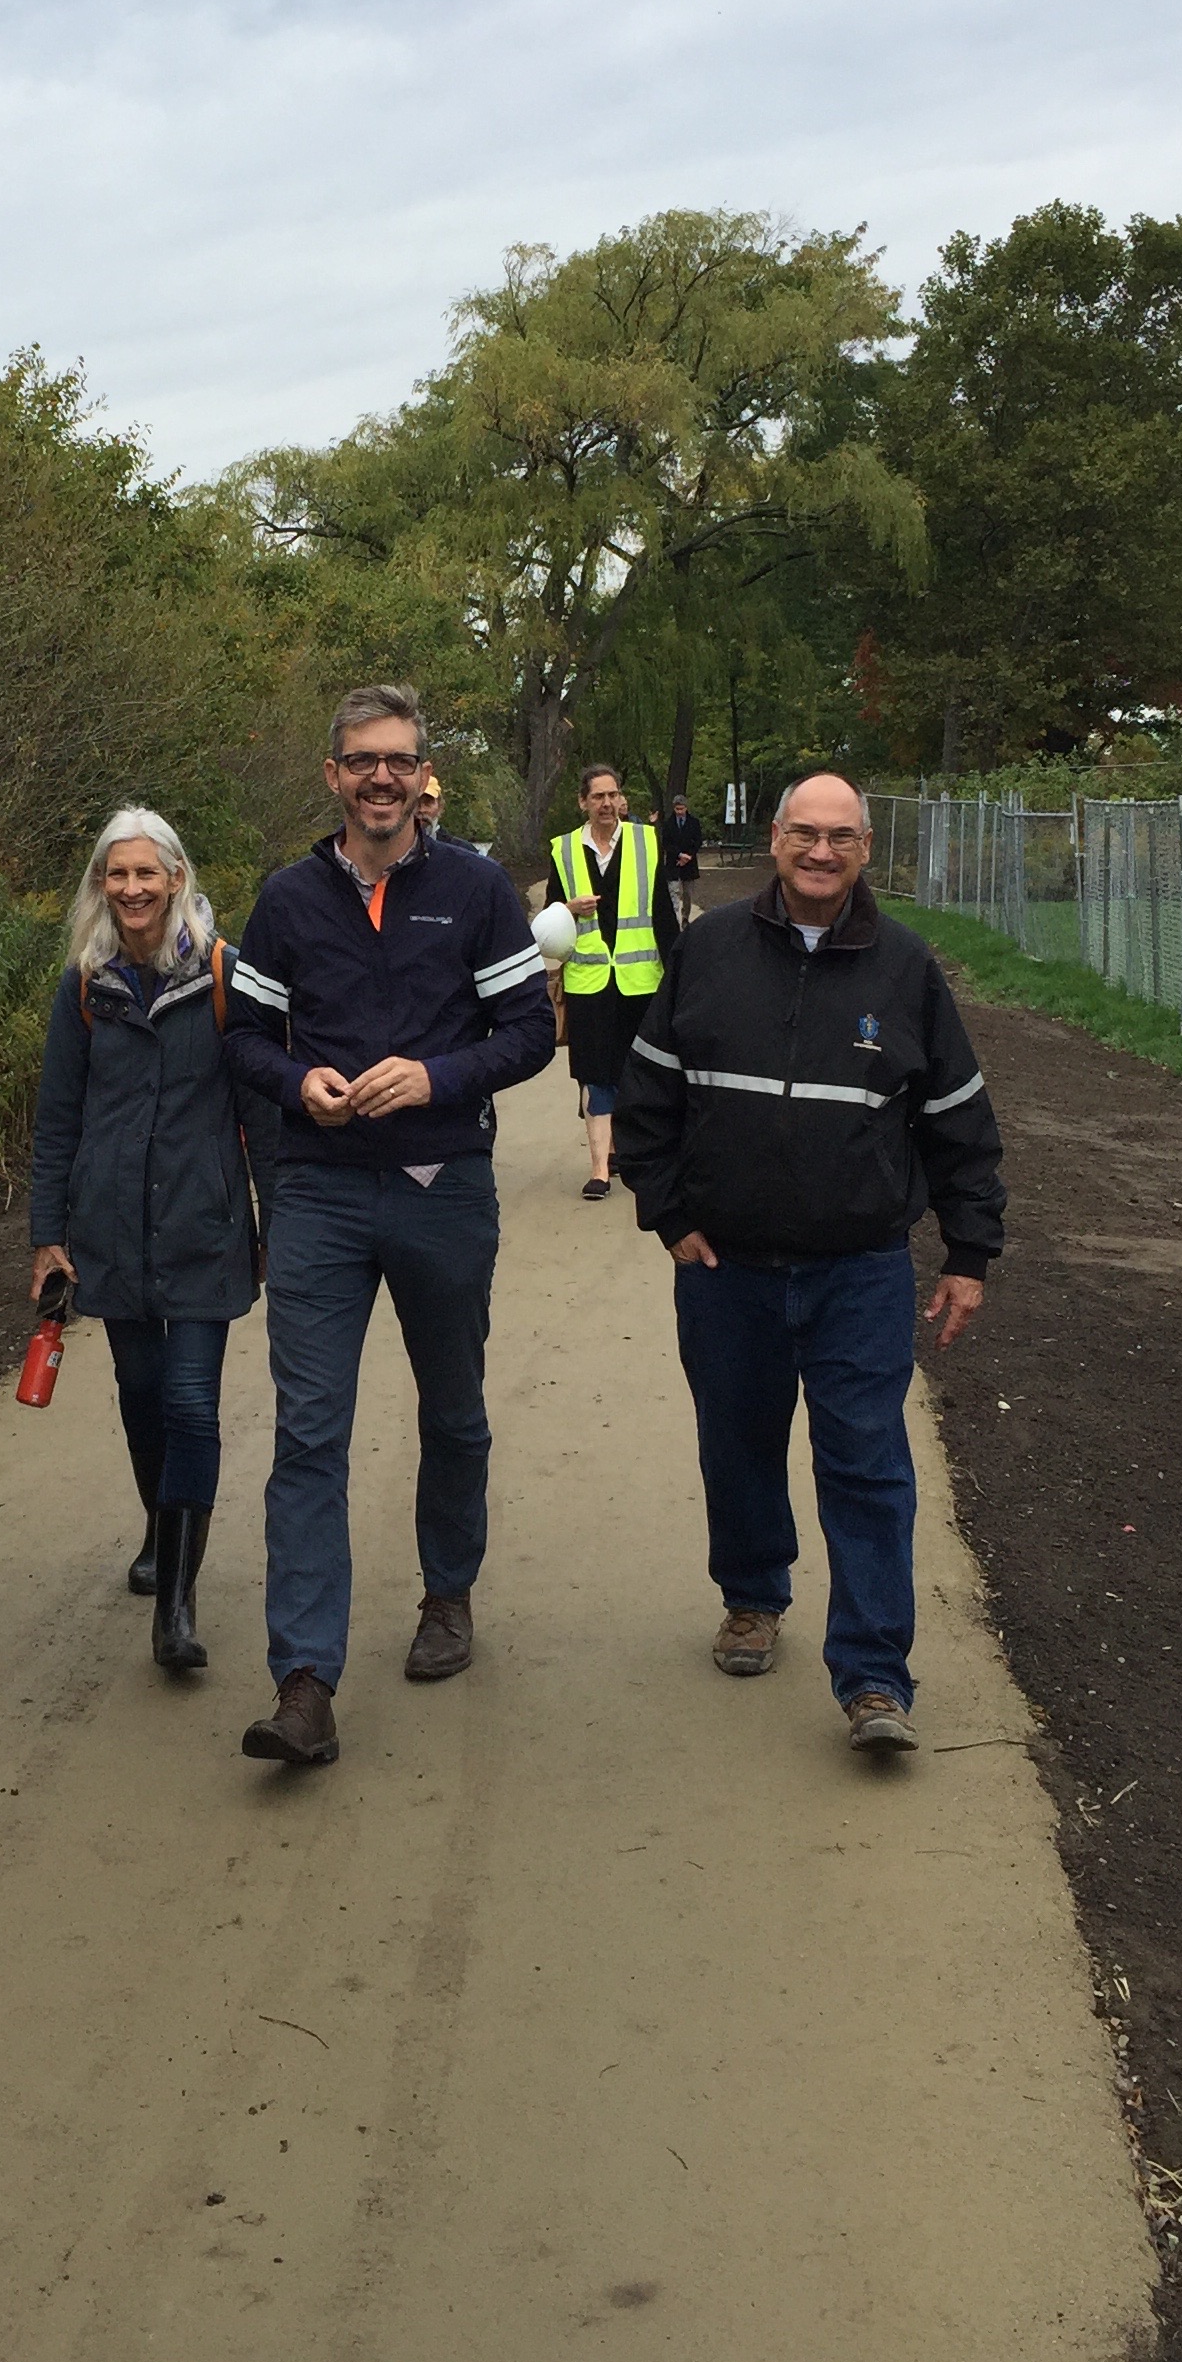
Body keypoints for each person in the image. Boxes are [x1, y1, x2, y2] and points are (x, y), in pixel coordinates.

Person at [612, 770, 1003, 1752]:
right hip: (725, 1268)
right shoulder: (709, 951)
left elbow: (959, 1121)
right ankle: (752, 1596)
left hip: (858, 1270)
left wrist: (969, 1251)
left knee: (867, 1464)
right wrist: (667, 1212)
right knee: (738, 1443)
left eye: (841, 837)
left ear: (866, 849)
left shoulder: (905, 969)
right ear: (776, 839)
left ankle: (873, 1678)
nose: (821, 852)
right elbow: (647, 1095)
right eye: (805, 834)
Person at [224, 686, 556, 1767]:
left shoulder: (474, 891)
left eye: (399, 760)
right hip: (320, 1191)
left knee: (452, 1409)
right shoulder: (287, 900)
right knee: (309, 1431)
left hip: (440, 1185)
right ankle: (304, 1682)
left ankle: (447, 1592)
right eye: (363, 760)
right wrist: (298, 1083)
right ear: (333, 775)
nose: (382, 778)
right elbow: (244, 1040)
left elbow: (528, 1031)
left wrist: (435, 1077)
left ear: (422, 776)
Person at [28, 809, 274, 1672]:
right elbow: (57, 1119)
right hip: (112, 1230)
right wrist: (47, 1235)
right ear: (101, 885)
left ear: (176, 878)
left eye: (146, 873)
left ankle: (177, 1603)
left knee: (190, 1402)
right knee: (140, 1396)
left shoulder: (224, 975)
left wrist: (277, 1223)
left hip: (204, 1223)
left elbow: (262, 1113)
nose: (132, 888)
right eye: (117, 874)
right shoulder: (84, 986)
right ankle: (161, 1527)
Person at [548, 762, 677, 1202]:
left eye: (613, 795)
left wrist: (678, 975)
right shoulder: (565, 850)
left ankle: (625, 1147)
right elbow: (549, 919)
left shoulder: (646, 841)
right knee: (595, 1073)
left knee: (637, 1071)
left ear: (621, 798)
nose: (607, 803)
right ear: (583, 802)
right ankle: (600, 1169)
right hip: (588, 982)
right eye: (598, 796)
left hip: (641, 981)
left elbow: (662, 914)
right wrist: (568, 909)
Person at [658, 791, 704, 926]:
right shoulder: (668, 824)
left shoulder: (694, 823)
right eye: (677, 809)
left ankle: (685, 917)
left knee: (687, 894)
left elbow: (698, 841)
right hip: (673, 863)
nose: (679, 812)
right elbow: (666, 843)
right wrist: (679, 855)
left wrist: (688, 856)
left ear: (686, 808)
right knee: (673, 892)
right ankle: (674, 919)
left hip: (689, 864)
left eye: (681, 809)